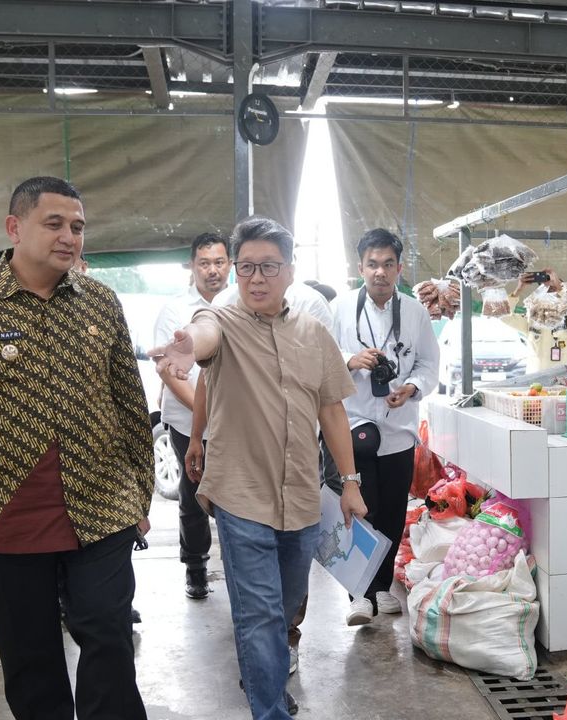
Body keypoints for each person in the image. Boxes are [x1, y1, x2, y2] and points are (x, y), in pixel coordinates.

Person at [0, 176, 153, 719]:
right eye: (55, 223)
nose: (69, 237)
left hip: (102, 507)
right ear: (15, 228)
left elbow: (130, 404)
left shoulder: (100, 304)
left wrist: (141, 497)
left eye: (78, 227)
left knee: (109, 639)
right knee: (31, 661)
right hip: (4, 518)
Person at [153, 216, 365, 720]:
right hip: (241, 494)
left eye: (268, 266)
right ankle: (270, 710)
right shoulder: (221, 321)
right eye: (245, 267)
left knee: (286, 605)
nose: (256, 278)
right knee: (259, 611)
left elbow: (332, 409)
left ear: (290, 271)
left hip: (301, 495)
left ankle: (259, 675)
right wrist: (189, 355)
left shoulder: (313, 333)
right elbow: (202, 341)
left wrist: (350, 483)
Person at [329, 228, 439, 626]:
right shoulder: (340, 309)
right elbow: (322, 358)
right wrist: (349, 359)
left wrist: (411, 387)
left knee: (393, 511)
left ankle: (380, 587)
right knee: (361, 508)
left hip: (398, 426)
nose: (380, 272)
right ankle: (358, 593)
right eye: (372, 264)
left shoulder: (413, 312)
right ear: (360, 267)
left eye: (387, 264)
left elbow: (429, 364)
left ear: (399, 267)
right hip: (353, 423)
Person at [153, 232, 232, 600]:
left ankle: (237, 565)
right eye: (204, 263)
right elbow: (169, 373)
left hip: (236, 424)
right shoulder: (174, 310)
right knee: (193, 495)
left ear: (229, 264)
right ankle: (196, 566)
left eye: (219, 262)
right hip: (188, 422)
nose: (212, 270)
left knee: (236, 498)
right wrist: (206, 416)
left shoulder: (241, 303)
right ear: (192, 266)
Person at [498, 268, 567, 374]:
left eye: (554, 290)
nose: (550, 293)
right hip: (534, 382)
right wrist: (519, 289)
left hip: (561, 381)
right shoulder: (532, 319)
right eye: (546, 289)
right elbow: (504, 316)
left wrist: (559, 287)